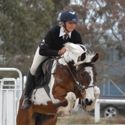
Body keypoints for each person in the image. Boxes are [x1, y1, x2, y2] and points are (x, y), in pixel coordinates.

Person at [22, 10, 83, 109]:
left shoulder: (76, 36)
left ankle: (81, 94)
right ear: (63, 23)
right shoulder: (53, 32)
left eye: (74, 23)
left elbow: (80, 50)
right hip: (47, 52)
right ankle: (27, 97)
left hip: (64, 57)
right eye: (70, 23)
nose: (72, 26)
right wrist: (58, 52)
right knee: (33, 69)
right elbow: (43, 50)